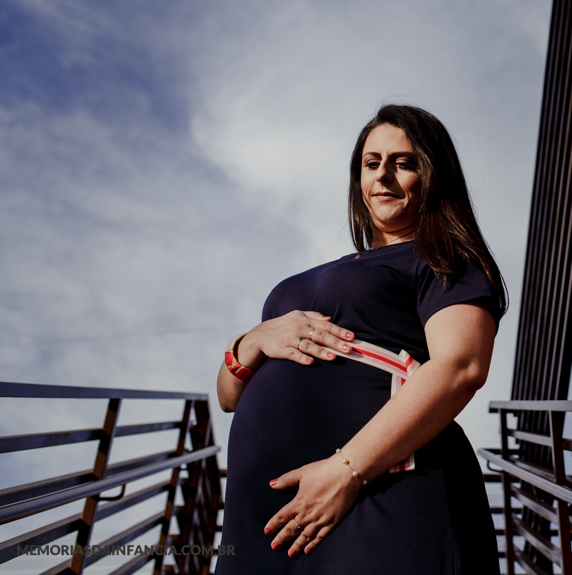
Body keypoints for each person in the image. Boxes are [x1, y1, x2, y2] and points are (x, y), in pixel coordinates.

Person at [215, 104, 506, 574]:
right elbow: (229, 397)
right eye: (371, 163)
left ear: (433, 174)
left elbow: (461, 367)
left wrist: (345, 471)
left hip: (376, 489)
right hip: (262, 513)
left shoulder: (442, 258)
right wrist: (253, 341)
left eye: (404, 162)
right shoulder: (326, 272)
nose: (384, 175)